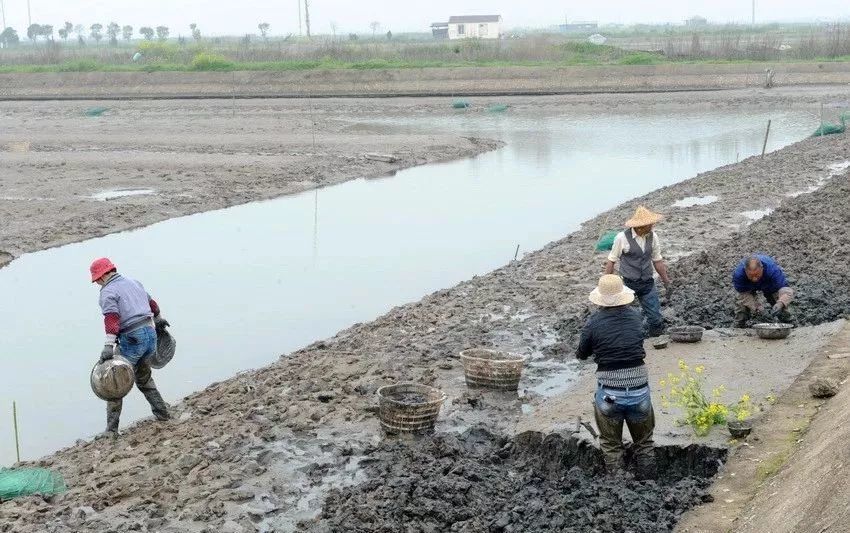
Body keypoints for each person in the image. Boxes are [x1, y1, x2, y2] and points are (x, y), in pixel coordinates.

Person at [577, 274, 656, 479]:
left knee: (611, 445)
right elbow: (639, 340)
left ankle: (618, 485)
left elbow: (582, 353)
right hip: (639, 390)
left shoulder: (593, 323)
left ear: (600, 299)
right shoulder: (637, 316)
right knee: (645, 443)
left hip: (610, 395)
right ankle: (649, 484)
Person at [90, 257, 171, 437]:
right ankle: (163, 413)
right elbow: (152, 304)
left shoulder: (108, 292)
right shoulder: (134, 282)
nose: (97, 284)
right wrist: (158, 319)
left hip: (133, 338)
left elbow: (111, 320)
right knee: (144, 377)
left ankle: (111, 430)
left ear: (102, 276)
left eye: (96, 280)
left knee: (115, 380)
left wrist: (108, 346)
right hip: (150, 334)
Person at [604, 205, 672, 337]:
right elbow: (611, 260)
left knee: (655, 317)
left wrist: (666, 280)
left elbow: (657, 260)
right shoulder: (621, 238)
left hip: (647, 282)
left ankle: (655, 339)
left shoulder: (653, 237)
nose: (652, 226)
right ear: (641, 226)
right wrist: (606, 284)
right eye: (650, 224)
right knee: (623, 316)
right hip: (628, 283)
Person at [732, 254, 794, 327]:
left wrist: (780, 303)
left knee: (781, 305)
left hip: (769, 284)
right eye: (751, 275)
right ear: (745, 271)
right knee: (741, 304)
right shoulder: (739, 274)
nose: (754, 279)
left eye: (757, 275)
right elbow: (743, 295)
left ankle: (790, 324)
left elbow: (786, 290)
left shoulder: (772, 270)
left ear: (762, 268)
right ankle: (739, 327)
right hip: (748, 287)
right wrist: (759, 308)